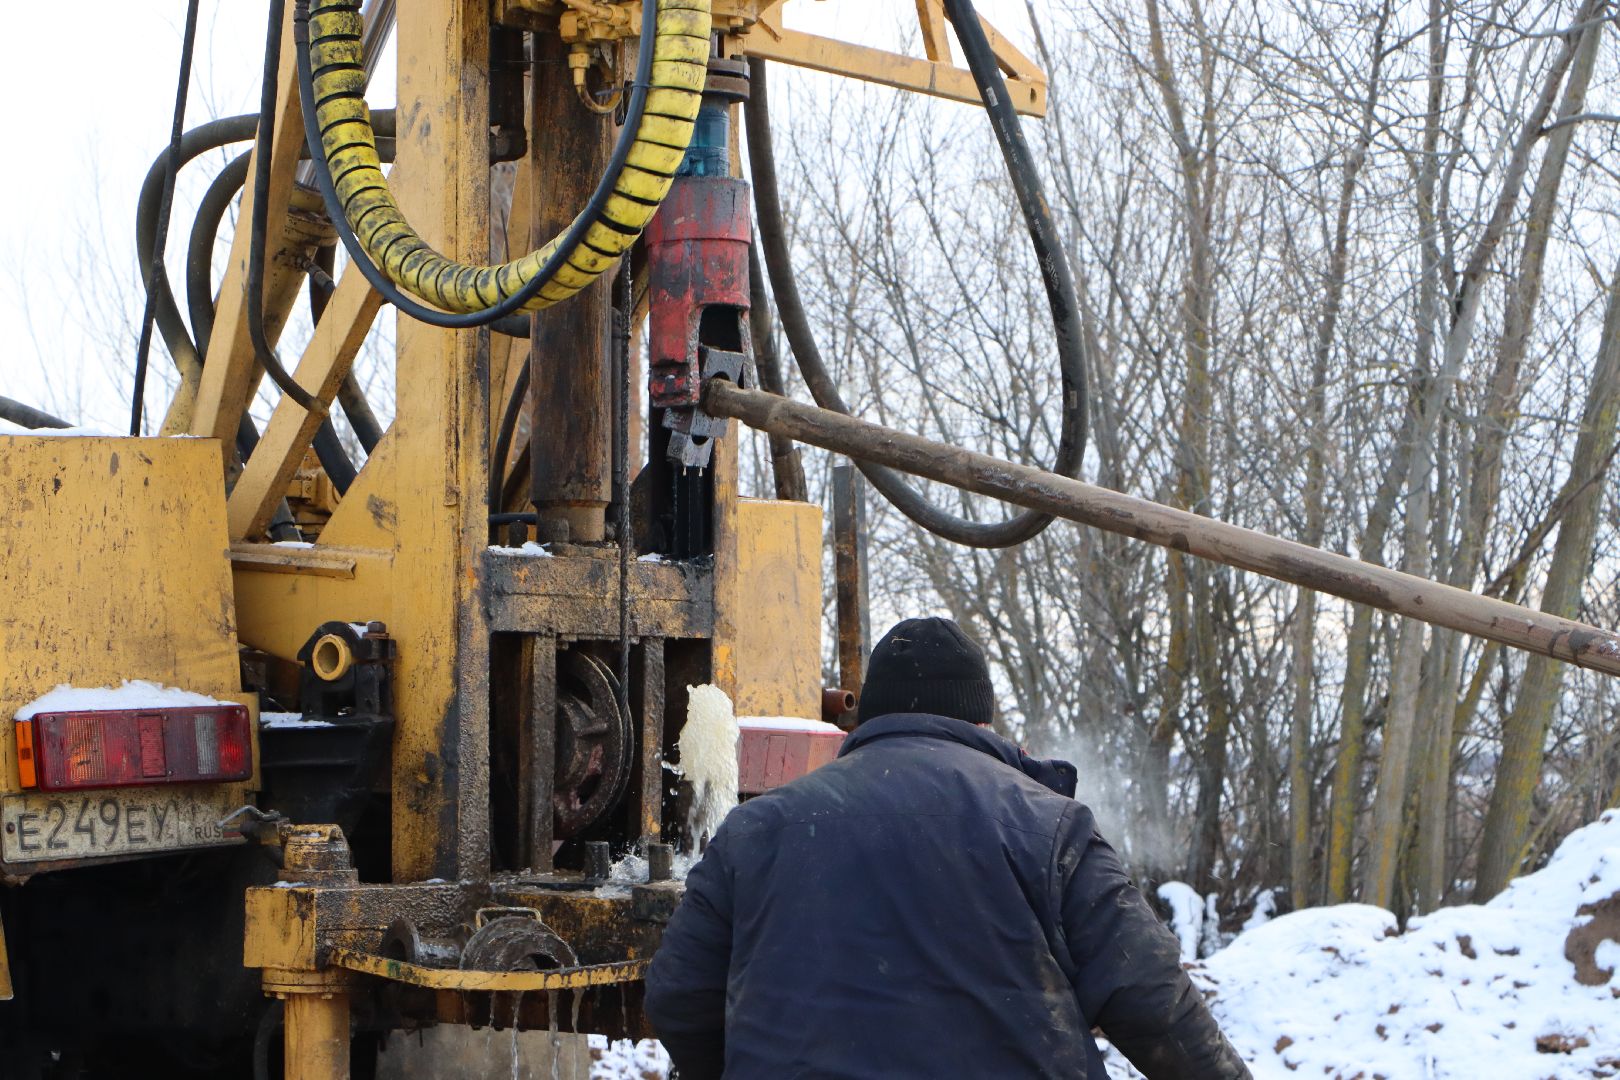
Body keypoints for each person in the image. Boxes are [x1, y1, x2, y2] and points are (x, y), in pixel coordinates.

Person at [645, 617, 1252, 1078]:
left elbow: (679, 995)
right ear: (980, 721)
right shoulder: (1051, 826)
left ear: (864, 721)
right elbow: (1153, 1003)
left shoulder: (758, 829)